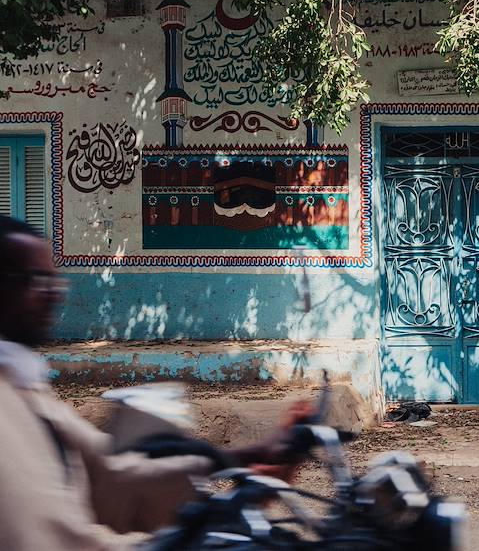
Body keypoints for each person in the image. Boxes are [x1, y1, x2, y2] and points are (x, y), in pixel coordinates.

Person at [0, 215, 303, 550]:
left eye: (54, 283)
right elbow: (54, 535)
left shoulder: (25, 386)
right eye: (35, 281)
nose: (53, 296)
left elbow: (112, 471)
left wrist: (243, 461)